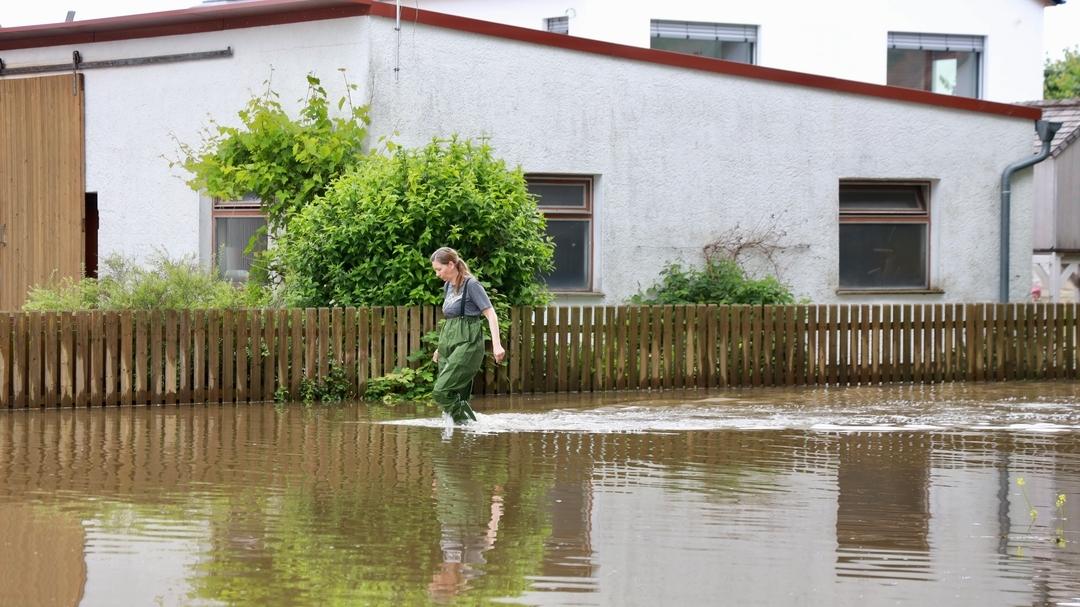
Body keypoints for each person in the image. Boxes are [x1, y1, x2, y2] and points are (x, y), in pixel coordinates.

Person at [430, 247, 505, 423]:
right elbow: (450, 319)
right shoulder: (447, 286)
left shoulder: (471, 285)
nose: (437, 274)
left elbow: (490, 313)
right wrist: (439, 348)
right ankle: (463, 438)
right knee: (456, 396)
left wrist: (497, 345)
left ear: (451, 264)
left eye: (438, 269)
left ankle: (469, 425)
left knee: (441, 392)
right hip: (448, 346)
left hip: (468, 344)